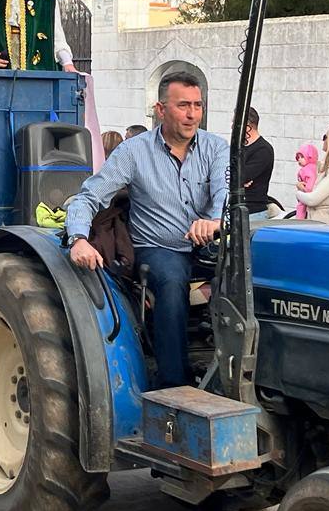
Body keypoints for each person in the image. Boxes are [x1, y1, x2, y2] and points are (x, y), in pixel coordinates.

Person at [66, 71, 228, 388]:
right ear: (160, 109)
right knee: (171, 280)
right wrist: (78, 239)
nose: (192, 113)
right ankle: (175, 388)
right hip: (160, 248)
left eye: (197, 105)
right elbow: (89, 197)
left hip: (211, 245)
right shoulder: (133, 152)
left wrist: (215, 221)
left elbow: (225, 195)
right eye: (183, 105)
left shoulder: (216, 148)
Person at [242, 107, 274, 220]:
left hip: (253, 213)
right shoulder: (239, 148)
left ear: (247, 126)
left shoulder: (263, 150)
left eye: (235, 123)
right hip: (236, 210)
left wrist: (239, 180)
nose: (232, 127)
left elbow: (241, 177)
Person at [293, 144, 319, 219]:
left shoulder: (307, 170)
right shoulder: (315, 167)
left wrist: (304, 189)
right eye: (298, 157)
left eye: (302, 157)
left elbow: (310, 184)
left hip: (307, 195)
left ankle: (299, 221)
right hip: (313, 195)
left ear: (309, 157)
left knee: (300, 207)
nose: (299, 159)